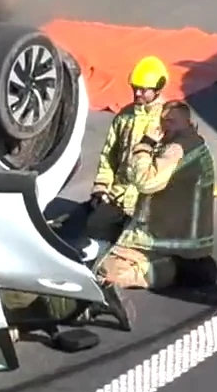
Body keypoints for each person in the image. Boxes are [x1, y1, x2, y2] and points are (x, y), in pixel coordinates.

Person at [57, 56, 171, 257]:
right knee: (85, 228)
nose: (137, 93)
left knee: (139, 247)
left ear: (158, 89)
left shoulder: (169, 121)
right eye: (135, 87)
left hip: (149, 205)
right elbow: (109, 155)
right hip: (118, 197)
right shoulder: (123, 118)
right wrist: (101, 188)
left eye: (144, 89)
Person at [98, 101, 217, 291]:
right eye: (163, 121)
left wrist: (145, 145)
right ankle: (185, 268)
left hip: (165, 239)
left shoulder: (176, 149)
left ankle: (164, 270)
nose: (164, 126)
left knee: (107, 268)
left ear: (187, 123)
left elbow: (146, 182)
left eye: (171, 121)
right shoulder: (195, 144)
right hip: (187, 239)